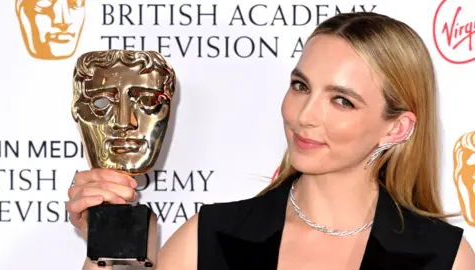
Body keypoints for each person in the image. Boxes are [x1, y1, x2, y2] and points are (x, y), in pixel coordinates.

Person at [67, 12, 475, 269]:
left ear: (396, 128)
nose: (303, 115)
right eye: (301, 86)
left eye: (341, 100)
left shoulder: (441, 256)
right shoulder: (213, 235)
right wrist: (113, 243)